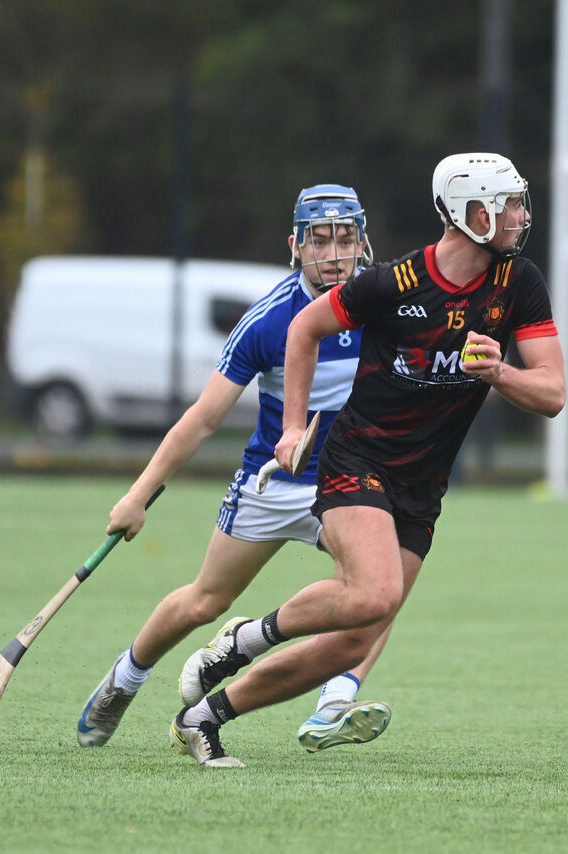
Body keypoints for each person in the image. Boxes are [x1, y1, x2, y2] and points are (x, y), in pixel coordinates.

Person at [169, 152, 566, 767]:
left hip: (424, 484)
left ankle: (204, 718)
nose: (520, 215)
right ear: (471, 213)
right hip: (358, 458)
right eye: (507, 204)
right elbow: (304, 329)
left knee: (353, 640)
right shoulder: (395, 282)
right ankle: (244, 640)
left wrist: (500, 373)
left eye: (519, 202)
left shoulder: (520, 282)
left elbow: (553, 393)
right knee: (377, 593)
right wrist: (293, 426)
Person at [77, 184, 396, 755]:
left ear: (363, 243)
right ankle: (124, 680)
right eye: (319, 241)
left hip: (348, 484)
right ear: (295, 247)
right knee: (204, 601)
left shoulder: (385, 304)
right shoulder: (268, 321)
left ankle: (334, 702)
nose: (333, 254)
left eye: (345, 239)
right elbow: (202, 420)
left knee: (379, 586)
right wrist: (138, 496)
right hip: (273, 483)